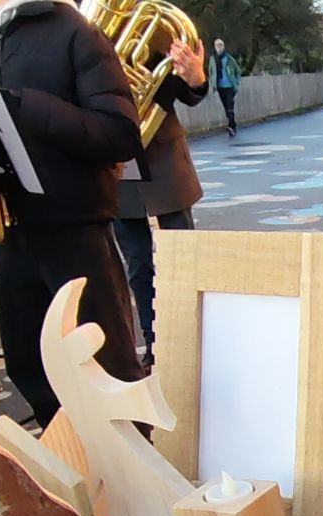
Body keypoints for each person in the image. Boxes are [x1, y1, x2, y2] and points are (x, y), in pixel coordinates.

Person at [0, 0, 143, 424]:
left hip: (73, 228)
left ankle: (133, 479)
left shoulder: (73, 30)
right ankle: (69, 469)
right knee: (30, 369)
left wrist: (23, 106)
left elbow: (119, 134)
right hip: (8, 231)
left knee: (105, 368)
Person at [113, 37, 205, 371]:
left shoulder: (159, 28)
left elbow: (190, 91)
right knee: (137, 263)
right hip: (117, 154)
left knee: (183, 256)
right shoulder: (78, 25)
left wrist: (195, 78)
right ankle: (156, 343)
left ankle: (194, 339)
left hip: (163, 153)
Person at [209, 35, 238, 135]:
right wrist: (213, 83)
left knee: (230, 106)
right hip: (220, 87)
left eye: (220, 45)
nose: (219, 47)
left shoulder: (229, 58)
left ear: (223, 46)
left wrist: (236, 82)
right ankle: (233, 125)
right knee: (226, 108)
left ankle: (231, 127)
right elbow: (211, 71)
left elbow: (237, 71)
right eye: (217, 45)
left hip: (229, 86)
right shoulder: (213, 59)